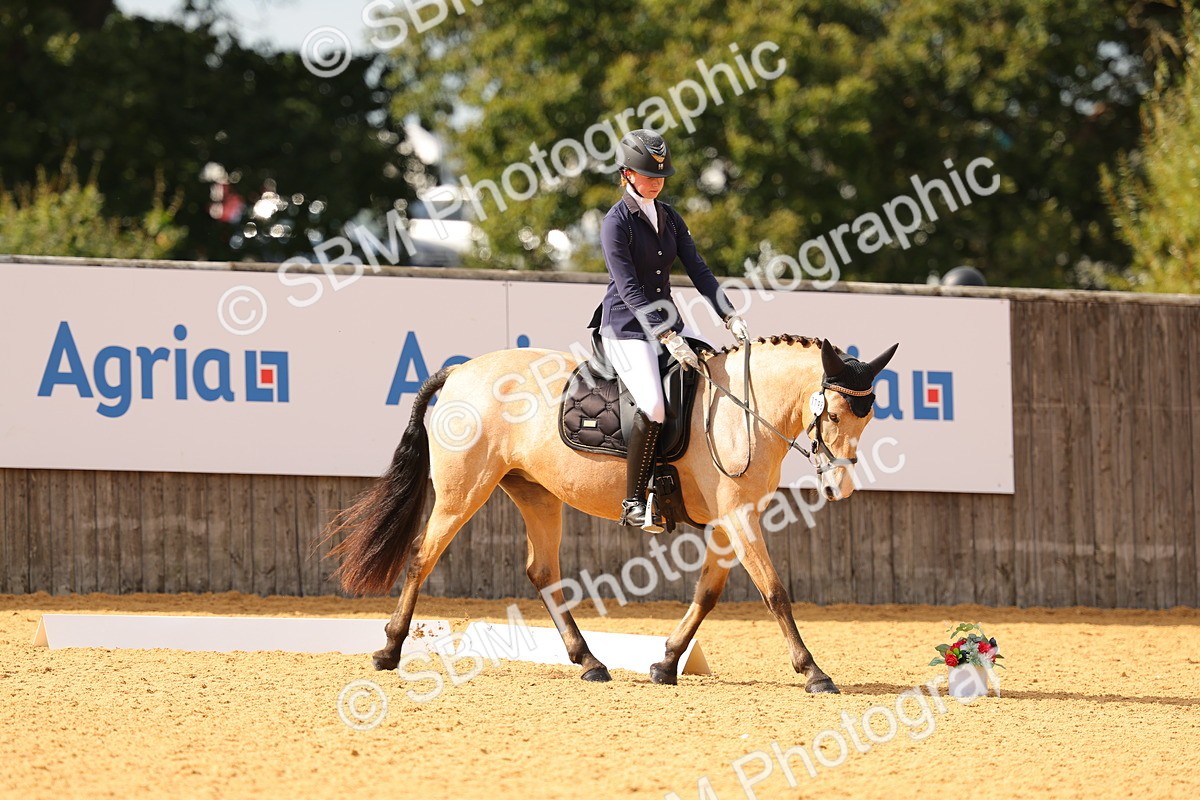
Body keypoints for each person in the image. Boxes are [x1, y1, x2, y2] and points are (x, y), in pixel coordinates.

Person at [593, 128, 750, 533]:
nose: (657, 181)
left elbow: (698, 269)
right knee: (655, 406)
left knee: (704, 380)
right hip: (626, 328)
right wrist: (666, 336)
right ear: (627, 174)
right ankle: (632, 501)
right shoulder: (616, 223)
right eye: (648, 174)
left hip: (666, 322)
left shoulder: (670, 217)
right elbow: (628, 289)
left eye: (661, 175)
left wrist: (728, 314)